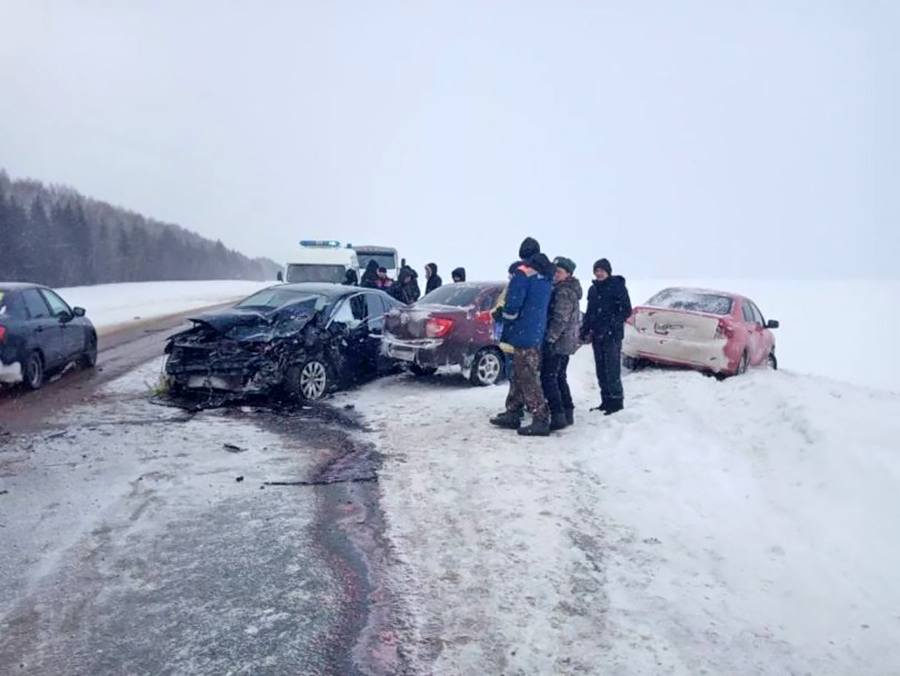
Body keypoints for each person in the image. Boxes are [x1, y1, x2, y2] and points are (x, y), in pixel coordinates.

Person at [489, 237, 555, 436]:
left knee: (526, 376)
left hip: (522, 331)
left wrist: (504, 316)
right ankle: (513, 410)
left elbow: (513, 304)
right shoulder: (546, 274)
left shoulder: (523, 273)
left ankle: (541, 418)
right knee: (519, 373)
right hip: (536, 331)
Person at [580, 258, 632, 415]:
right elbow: (590, 312)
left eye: (601, 270)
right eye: (596, 271)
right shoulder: (593, 289)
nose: (598, 273)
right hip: (597, 335)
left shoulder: (617, 286)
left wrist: (612, 325)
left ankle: (616, 402)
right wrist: (585, 330)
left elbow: (626, 310)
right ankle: (605, 400)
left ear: (608, 271)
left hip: (612, 336)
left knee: (612, 370)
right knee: (601, 370)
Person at [541, 257, 583, 430]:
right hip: (566, 341)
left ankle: (558, 414)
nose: (556, 275)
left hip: (559, 342)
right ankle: (567, 411)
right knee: (559, 377)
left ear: (568, 274)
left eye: (559, 272)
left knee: (549, 377)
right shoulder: (566, 289)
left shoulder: (563, 291)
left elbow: (561, 319)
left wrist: (550, 338)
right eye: (555, 271)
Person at [491, 261, 522, 384]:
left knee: (516, 374)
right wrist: (496, 312)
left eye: (511, 274)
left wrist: (501, 313)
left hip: (513, 336)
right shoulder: (510, 287)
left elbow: (511, 308)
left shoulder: (517, 288)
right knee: (512, 372)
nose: (509, 277)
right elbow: (501, 304)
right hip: (506, 335)